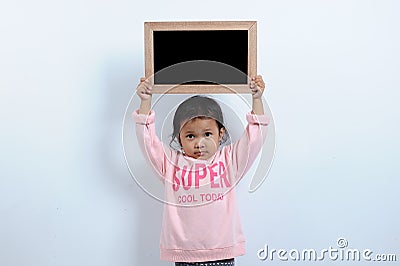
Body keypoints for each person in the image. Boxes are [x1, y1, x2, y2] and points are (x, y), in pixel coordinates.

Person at [133, 76, 269, 266]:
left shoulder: (230, 160)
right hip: (185, 254)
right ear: (179, 139)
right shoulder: (171, 164)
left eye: (207, 134)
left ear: (220, 134)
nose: (199, 143)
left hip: (222, 252)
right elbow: (148, 142)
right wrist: (145, 100)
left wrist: (257, 99)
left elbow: (255, 136)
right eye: (190, 136)